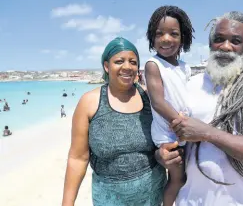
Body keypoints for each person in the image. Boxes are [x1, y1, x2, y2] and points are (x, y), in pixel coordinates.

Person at [155, 11, 243, 206]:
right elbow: (166, 136)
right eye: (219, 39)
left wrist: (207, 133)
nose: (225, 46)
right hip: (186, 201)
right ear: (210, 44)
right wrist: (162, 155)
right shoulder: (189, 85)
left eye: (235, 41)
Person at [62, 37, 166, 206]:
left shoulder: (149, 98)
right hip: (109, 197)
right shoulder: (90, 103)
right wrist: (67, 203)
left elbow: (164, 141)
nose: (127, 67)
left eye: (133, 62)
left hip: (153, 194)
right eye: (119, 61)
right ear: (106, 66)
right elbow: (78, 158)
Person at [144, 5, 194, 206]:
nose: (166, 39)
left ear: (184, 38)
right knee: (178, 178)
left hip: (183, 129)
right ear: (152, 38)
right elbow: (157, 101)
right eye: (159, 34)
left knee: (187, 176)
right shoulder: (153, 65)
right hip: (167, 132)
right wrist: (179, 123)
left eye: (173, 34)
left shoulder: (184, 67)